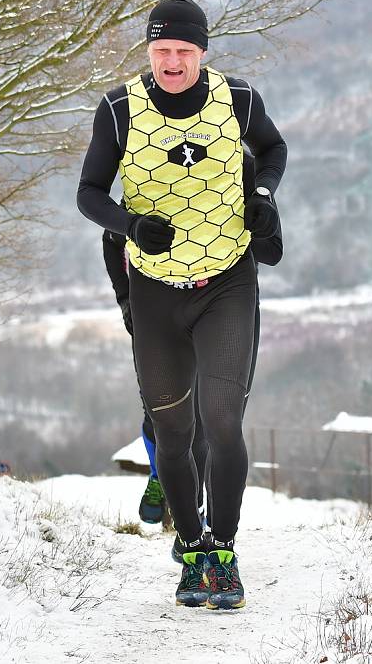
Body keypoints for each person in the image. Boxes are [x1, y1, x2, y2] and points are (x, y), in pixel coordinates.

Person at [78, 0, 286, 610]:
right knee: (171, 430)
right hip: (154, 289)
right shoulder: (119, 109)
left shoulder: (238, 99)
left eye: (184, 51)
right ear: (149, 51)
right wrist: (129, 224)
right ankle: (192, 548)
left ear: (202, 52)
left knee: (222, 423)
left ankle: (224, 551)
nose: (172, 61)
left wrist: (265, 197)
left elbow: (274, 151)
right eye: (162, 50)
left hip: (227, 280)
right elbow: (89, 193)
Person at [102, 153, 282, 529]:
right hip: (159, 307)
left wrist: (258, 220)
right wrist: (126, 300)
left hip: (227, 309)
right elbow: (111, 239)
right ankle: (165, 476)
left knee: (216, 421)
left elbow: (273, 250)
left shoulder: (241, 164)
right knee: (168, 417)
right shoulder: (150, 169)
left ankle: (206, 528)